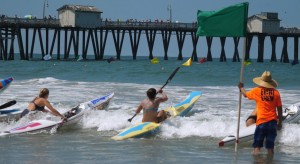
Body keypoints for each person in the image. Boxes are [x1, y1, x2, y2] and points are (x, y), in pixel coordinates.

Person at [238, 71, 283, 155]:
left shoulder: (257, 91)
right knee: (270, 148)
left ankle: (257, 160)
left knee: (257, 148)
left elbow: (245, 95)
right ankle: (270, 161)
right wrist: (280, 122)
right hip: (272, 123)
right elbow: (279, 109)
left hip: (261, 122)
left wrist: (241, 88)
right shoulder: (276, 93)